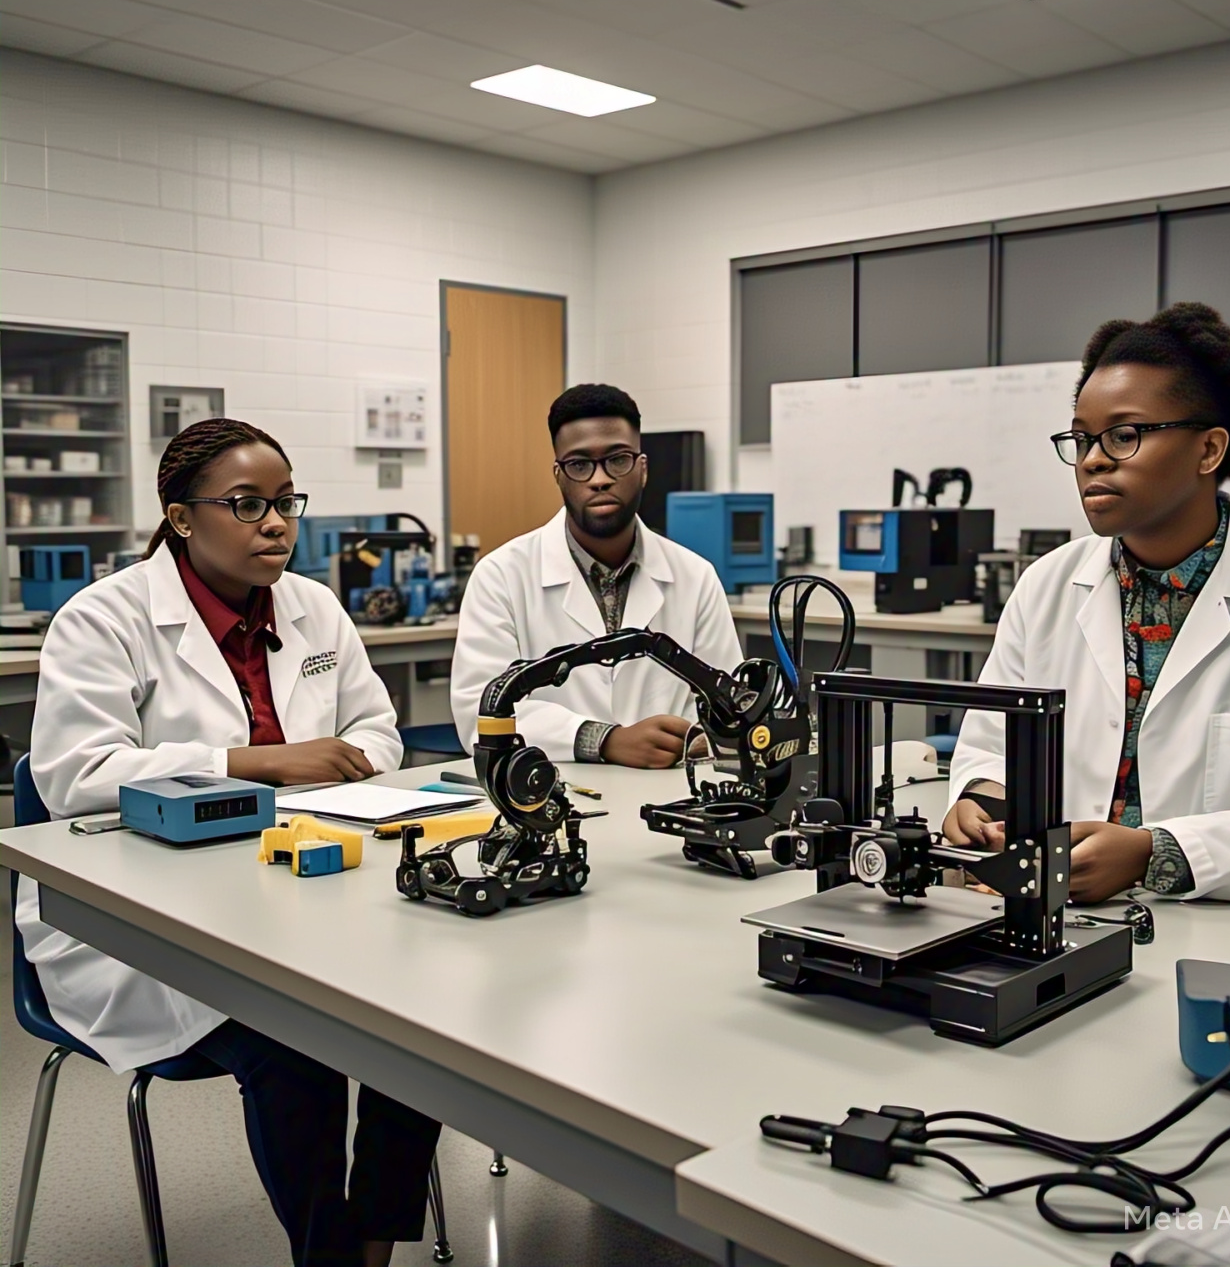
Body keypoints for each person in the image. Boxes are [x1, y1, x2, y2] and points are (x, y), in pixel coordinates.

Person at [18, 419, 441, 1267]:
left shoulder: (315, 607)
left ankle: (374, 1235)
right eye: (248, 505)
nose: (276, 523)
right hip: (140, 917)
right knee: (294, 1041)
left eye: (286, 503)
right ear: (181, 517)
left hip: (312, 884)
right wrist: (255, 764)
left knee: (427, 1016)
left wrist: (341, 769)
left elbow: (376, 730)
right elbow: (74, 776)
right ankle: (332, 1257)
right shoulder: (104, 618)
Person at [942, 303, 1230, 904]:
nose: (1092, 458)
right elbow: (991, 742)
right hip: (1048, 917)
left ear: (1209, 451)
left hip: (1220, 931)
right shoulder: (1048, 584)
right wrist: (980, 802)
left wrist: (1158, 853)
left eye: (1124, 436)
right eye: (1081, 438)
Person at [451, 383, 742, 766]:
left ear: (642, 469)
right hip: (552, 797)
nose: (600, 479)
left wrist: (706, 737)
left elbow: (729, 705)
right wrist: (603, 740)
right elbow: (481, 712)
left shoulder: (694, 576)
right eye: (579, 464)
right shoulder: (501, 575)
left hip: (671, 794)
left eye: (617, 459)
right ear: (558, 475)